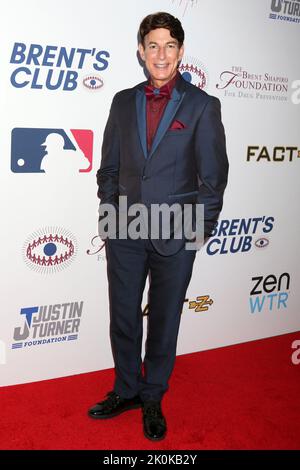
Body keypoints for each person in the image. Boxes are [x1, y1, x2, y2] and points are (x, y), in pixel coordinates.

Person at [88, 12, 229, 441]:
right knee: (124, 317)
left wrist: (196, 232)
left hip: (177, 233)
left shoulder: (204, 106)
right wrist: (110, 214)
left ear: (181, 51)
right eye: (153, 45)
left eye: (170, 45)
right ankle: (127, 389)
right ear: (141, 51)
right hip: (125, 230)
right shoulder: (121, 101)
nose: (161, 54)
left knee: (165, 321)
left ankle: (152, 396)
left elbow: (213, 176)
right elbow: (108, 166)